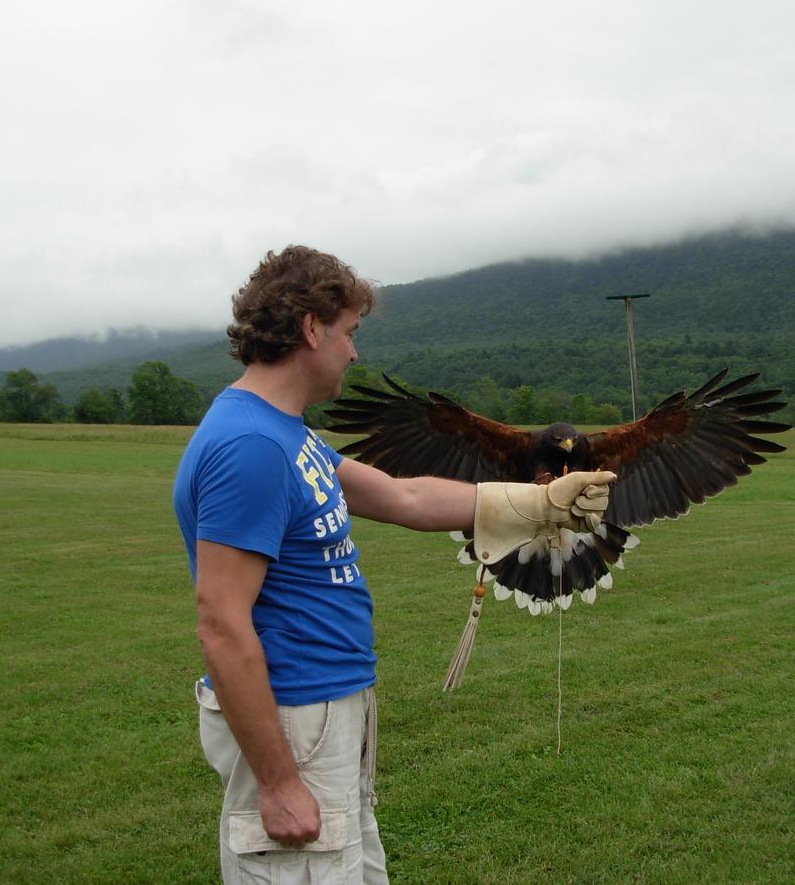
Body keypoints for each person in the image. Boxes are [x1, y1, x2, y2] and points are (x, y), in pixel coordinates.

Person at [172, 245, 614, 884]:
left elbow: (404, 496)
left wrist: (540, 503)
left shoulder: (288, 434)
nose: (353, 352)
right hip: (293, 716)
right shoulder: (250, 446)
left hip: (325, 709)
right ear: (310, 328)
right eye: (349, 333)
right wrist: (276, 781)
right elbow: (221, 624)